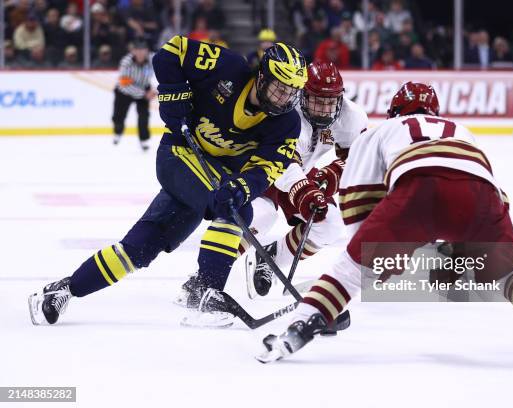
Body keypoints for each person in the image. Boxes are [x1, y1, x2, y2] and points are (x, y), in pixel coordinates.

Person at [256, 82, 513, 363]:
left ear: (395, 111)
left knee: (348, 273)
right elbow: (497, 197)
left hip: (418, 190)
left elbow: (357, 198)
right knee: (507, 272)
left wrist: (372, 258)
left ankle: (297, 331)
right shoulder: (462, 131)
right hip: (480, 196)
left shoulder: (384, 130)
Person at [28, 39, 307, 327]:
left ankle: (63, 289)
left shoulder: (287, 124)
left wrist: (242, 187)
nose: (284, 97)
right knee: (239, 212)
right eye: (279, 87)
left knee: (138, 249)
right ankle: (206, 293)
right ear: (262, 76)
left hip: (211, 179)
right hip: (178, 156)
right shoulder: (227, 67)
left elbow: (267, 169)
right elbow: (171, 51)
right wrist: (174, 93)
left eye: (291, 92)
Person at [175, 61, 368, 306]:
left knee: (330, 224)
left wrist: (332, 174)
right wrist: (306, 190)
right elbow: (284, 162)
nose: (324, 109)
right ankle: (205, 279)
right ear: (303, 94)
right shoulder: (288, 112)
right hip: (260, 169)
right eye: (318, 100)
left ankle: (271, 259)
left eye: (330, 102)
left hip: (300, 173)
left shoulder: (351, 116)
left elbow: (358, 160)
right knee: (260, 216)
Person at [112, 39, 155, 150]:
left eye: (143, 50)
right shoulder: (126, 62)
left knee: (144, 116)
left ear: (147, 51)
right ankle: (118, 131)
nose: (140, 53)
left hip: (144, 88)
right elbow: (124, 84)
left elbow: (164, 72)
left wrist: (155, 90)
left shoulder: (153, 59)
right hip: (124, 92)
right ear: (133, 51)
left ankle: (144, 140)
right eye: (137, 50)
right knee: (119, 116)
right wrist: (144, 93)